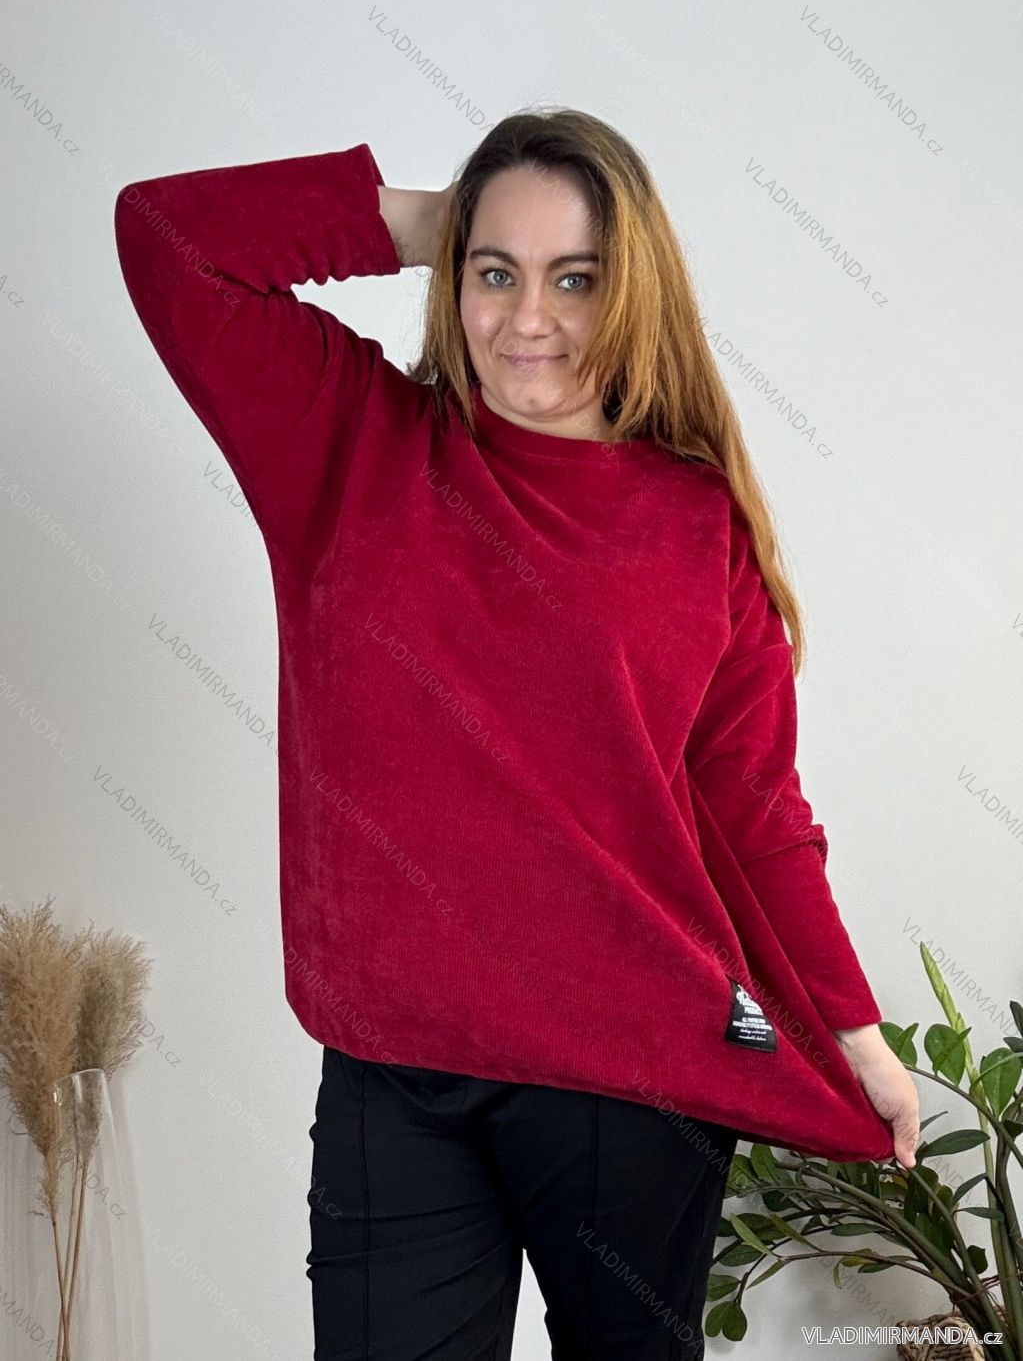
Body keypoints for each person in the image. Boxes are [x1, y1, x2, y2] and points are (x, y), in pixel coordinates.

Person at [114, 105, 920, 1360]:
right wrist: (438, 219)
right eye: (496, 272)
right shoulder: (345, 441)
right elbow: (166, 235)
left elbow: (756, 808)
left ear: (630, 289)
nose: (528, 316)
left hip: (630, 1079)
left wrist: (857, 1033)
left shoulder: (696, 526)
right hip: (396, 1077)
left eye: (575, 277)